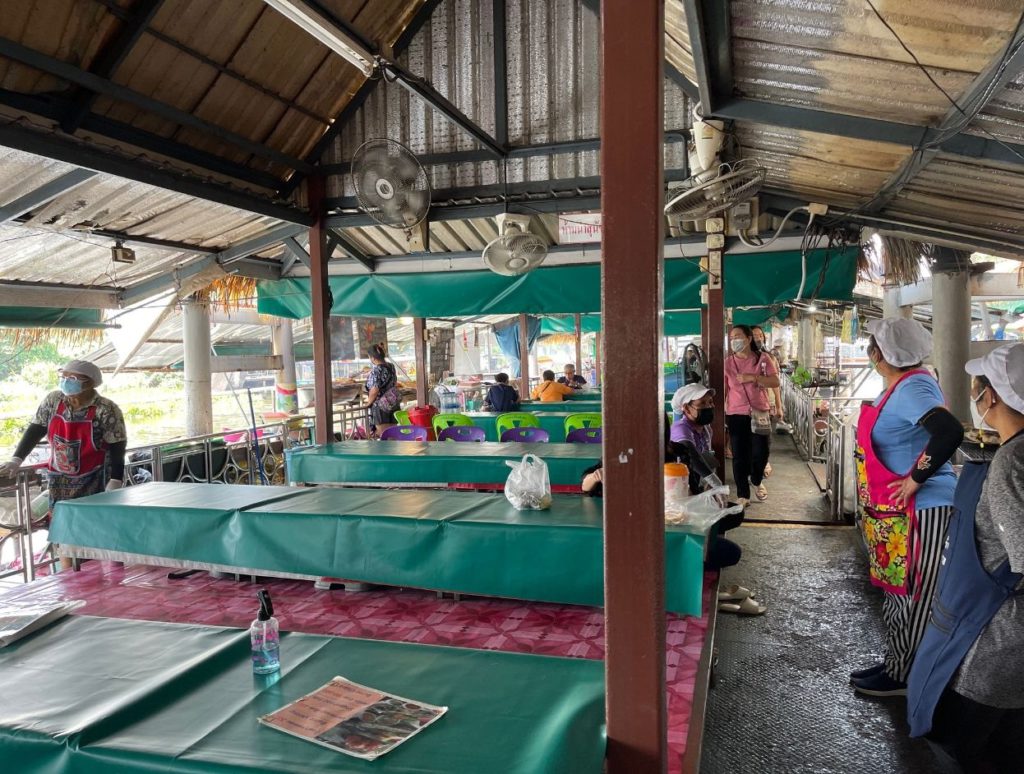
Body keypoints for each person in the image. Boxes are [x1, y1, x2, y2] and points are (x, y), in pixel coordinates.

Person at [907, 343, 1024, 772]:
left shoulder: (1012, 463)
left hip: (992, 641)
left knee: (961, 744)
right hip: (998, 638)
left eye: (978, 387)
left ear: (990, 397)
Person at [851, 318, 963, 698]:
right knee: (899, 590)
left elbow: (948, 431)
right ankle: (896, 661)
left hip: (924, 508)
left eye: (871, 346)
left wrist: (916, 478)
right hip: (897, 512)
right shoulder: (899, 386)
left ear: (879, 353)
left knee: (915, 592)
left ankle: (905, 676)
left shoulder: (914, 385)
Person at [0, 359, 127, 517]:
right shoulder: (54, 400)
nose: (66, 381)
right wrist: (16, 459)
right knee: (61, 519)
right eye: (63, 376)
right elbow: (37, 428)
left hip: (95, 477)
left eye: (72, 378)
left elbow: (118, 445)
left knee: (93, 520)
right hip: (59, 477)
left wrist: (116, 479)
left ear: (90, 383)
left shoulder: (106, 408)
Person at [724, 324, 780, 505]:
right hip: (735, 413)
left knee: (762, 451)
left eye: (738, 337)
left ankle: (756, 480)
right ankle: (743, 495)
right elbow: (725, 389)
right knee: (739, 455)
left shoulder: (763, 359)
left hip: (760, 411)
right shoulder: (728, 363)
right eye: (732, 338)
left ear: (748, 339)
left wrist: (753, 377)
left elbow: (775, 381)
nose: (734, 341)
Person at [751, 326, 784, 477]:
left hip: (767, 402)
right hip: (749, 403)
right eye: (754, 335)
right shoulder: (743, 358)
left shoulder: (770, 357)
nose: (758, 338)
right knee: (750, 436)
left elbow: (776, 384)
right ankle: (754, 466)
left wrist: (779, 405)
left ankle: (764, 461)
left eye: (760, 335)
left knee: (765, 436)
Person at [365, 344, 400, 438]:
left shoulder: (377, 370)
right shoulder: (391, 366)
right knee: (393, 432)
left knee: (383, 433)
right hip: (393, 402)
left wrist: (368, 403)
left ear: (372, 358)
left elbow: (374, 390)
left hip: (380, 406)